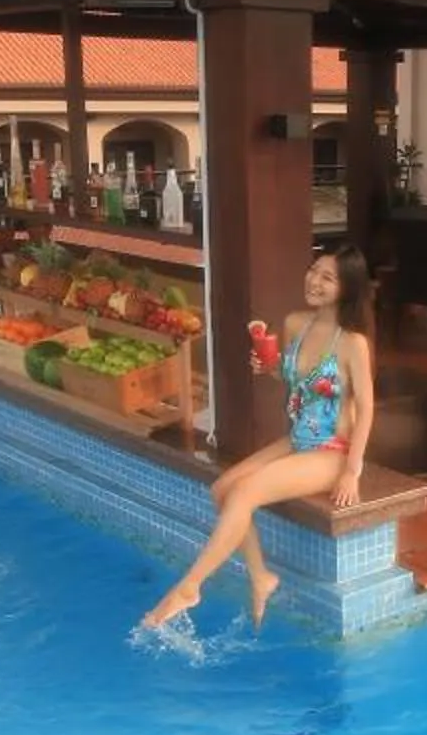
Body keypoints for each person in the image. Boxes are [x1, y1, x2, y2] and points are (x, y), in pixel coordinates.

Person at [142, 247, 376, 632]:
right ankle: (260, 577)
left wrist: (353, 471)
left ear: (347, 289)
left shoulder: (352, 343)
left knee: (244, 492)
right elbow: (295, 382)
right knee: (222, 489)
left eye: (327, 278)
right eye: (313, 270)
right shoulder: (296, 323)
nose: (314, 281)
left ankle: (190, 586)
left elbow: (366, 408)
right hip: (298, 440)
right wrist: (270, 368)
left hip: (331, 452)